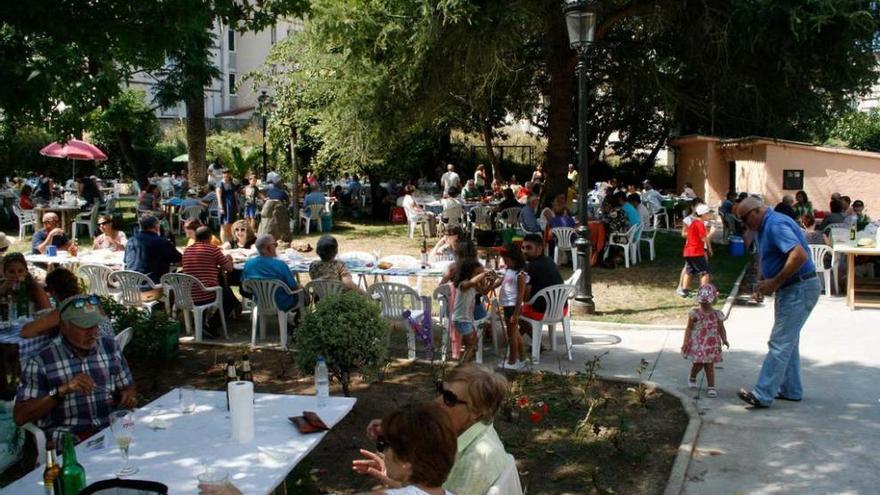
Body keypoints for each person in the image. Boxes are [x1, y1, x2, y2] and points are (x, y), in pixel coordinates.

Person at [356, 364, 510, 495]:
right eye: (440, 391)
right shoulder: (470, 434)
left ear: (477, 412)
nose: (437, 402)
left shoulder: (475, 461)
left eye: (449, 399)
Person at [14, 294, 136, 446]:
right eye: (85, 327)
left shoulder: (110, 347)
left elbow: (128, 387)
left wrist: (127, 396)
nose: (93, 333)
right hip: (70, 441)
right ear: (65, 326)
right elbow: (20, 416)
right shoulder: (41, 362)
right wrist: (62, 391)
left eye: (95, 325)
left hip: (110, 432)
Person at [735, 197, 820, 408]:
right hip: (792, 289)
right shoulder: (765, 226)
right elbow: (768, 257)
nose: (746, 225)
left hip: (799, 288)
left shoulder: (775, 225)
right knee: (788, 341)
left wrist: (775, 282)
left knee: (779, 343)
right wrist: (762, 283)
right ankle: (791, 389)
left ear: (755, 211)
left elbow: (798, 256)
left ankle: (762, 394)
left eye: (745, 220)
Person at [681, 284, 729, 398]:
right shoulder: (694, 313)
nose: (704, 304)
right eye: (702, 302)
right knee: (698, 364)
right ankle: (692, 376)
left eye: (707, 302)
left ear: (713, 301)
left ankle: (711, 387)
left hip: (711, 345)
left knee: (709, 365)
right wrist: (685, 342)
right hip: (698, 344)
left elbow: (721, 328)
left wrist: (724, 339)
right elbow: (689, 328)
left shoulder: (717, 314)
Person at [182, 226, 238, 324]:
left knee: (225, 292)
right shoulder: (213, 250)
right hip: (206, 293)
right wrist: (229, 259)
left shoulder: (187, 250)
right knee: (230, 300)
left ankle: (201, 323)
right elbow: (228, 268)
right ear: (210, 237)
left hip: (188, 293)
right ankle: (212, 325)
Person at [491, 243, 527, 370]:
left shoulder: (520, 274)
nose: (505, 262)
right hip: (507, 306)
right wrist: (492, 285)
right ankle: (522, 358)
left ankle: (512, 361)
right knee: (515, 333)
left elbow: (520, 296)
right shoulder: (509, 270)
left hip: (513, 307)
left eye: (506, 260)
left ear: (514, 259)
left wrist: (516, 313)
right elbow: (501, 280)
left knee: (511, 335)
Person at [124, 214, 182, 293]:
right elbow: (180, 261)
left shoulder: (131, 241)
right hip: (152, 287)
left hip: (130, 286)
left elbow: (126, 261)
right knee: (179, 278)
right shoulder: (162, 242)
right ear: (156, 226)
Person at [242, 234, 300, 311]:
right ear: (269, 247)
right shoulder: (280, 265)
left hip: (259, 302)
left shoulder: (248, 264)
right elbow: (293, 286)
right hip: (283, 303)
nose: (276, 247)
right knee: (301, 292)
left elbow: (245, 284)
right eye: (275, 245)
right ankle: (297, 318)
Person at [449, 257, 491, 362]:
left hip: (466, 319)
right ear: (468, 273)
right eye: (477, 273)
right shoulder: (463, 284)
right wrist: (484, 273)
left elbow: (485, 291)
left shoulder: (474, 286)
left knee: (472, 345)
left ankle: (465, 363)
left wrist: (494, 281)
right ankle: (464, 366)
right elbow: (472, 282)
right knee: (472, 344)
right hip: (460, 319)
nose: (479, 276)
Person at [521, 234, 563, 321]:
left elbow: (525, 299)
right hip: (561, 309)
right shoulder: (549, 260)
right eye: (523, 248)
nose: (524, 251)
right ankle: (530, 333)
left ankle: (517, 334)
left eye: (529, 248)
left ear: (539, 249)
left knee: (513, 310)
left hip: (543, 312)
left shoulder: (530, 267)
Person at [678, 204, 713, 297]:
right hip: (696, 252)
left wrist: (709, 248)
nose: (710, 215)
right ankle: (704, 293)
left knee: (689, 271)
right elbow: (703, 239)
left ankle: (684, 290)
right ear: (703, 214)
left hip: (688, 252)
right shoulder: (700, 224)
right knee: (705, 272)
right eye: (708, 213)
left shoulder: (693, 223)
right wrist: (712, 232)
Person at [216, 169, 238, 243]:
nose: (226, 175)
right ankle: (224, 244)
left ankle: (230, 243)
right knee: (224, 226)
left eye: (228, 174)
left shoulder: (231, 183)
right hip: (224, 206)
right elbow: (218, 196)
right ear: (222, 174)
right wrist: (221, 207)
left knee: (231, 225)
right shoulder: (219, 184)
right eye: (224, 174)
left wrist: (237, 206)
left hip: (232, 206)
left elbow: (235, 195)